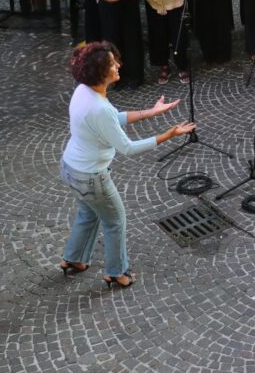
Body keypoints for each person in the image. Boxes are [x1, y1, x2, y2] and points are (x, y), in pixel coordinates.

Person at [59, 41, 195, 289]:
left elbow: (113, 119)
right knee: (115, 221)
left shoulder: (84, 91)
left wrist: (152, 112)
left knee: (88, 213)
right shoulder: (99, 107)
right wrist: (169, 134)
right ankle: (116, 272)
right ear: (100, 72)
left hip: (71, 167)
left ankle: (74, 259)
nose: (119, 65)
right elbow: (128, 148)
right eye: (113, 64)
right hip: (91, 177)